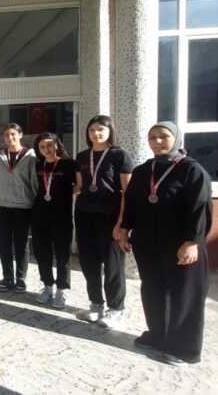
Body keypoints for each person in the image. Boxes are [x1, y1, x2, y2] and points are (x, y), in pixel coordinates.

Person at [119, 122, 212, 366]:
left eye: (163, 136)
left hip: (181, 246)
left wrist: (193, 242)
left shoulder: (192, 170)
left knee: (184, 295)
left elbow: (200, 207)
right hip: (148, 243)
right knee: (153, 289)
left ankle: (184, 349)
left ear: (177, 138)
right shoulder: (143, 171)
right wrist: (124, 229)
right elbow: (131, 202)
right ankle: (158, 336)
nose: (157, 142)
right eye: (152, 137)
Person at [74, 115, 134, 329]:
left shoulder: (120, 155)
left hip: (110, 216)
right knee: (88, 261)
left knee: (112, 264)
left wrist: (122, 224)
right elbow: (80, 186)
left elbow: (128, 192)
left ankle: (116, 309)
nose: (96, 134)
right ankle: (96, 304)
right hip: (84, 213)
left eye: (100, 129)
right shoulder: (82, 156)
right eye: (92, 130)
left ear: (110, 131)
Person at [0, 124, 37, 292]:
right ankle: (7, 277)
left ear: (20, 135)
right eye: (7, 135)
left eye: (13, 134)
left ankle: (21, 278)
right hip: (1, 205)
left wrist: (38, 204)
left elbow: (34, 182)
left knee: (22, 243)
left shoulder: (31, 157)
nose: (10, 138)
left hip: (23, 206)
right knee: (4, 243)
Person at [30, 133, 76, 308]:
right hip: (40, 214)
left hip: (61, 215)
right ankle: (47, 286)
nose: (46, 149)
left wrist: (65, 194)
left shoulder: (68, 164)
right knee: (42, 252)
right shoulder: (38, 165)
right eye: (42, 147)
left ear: (57, 144)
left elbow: (79, 184)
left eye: (49, 145)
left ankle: (61, 290)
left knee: (62, 254)